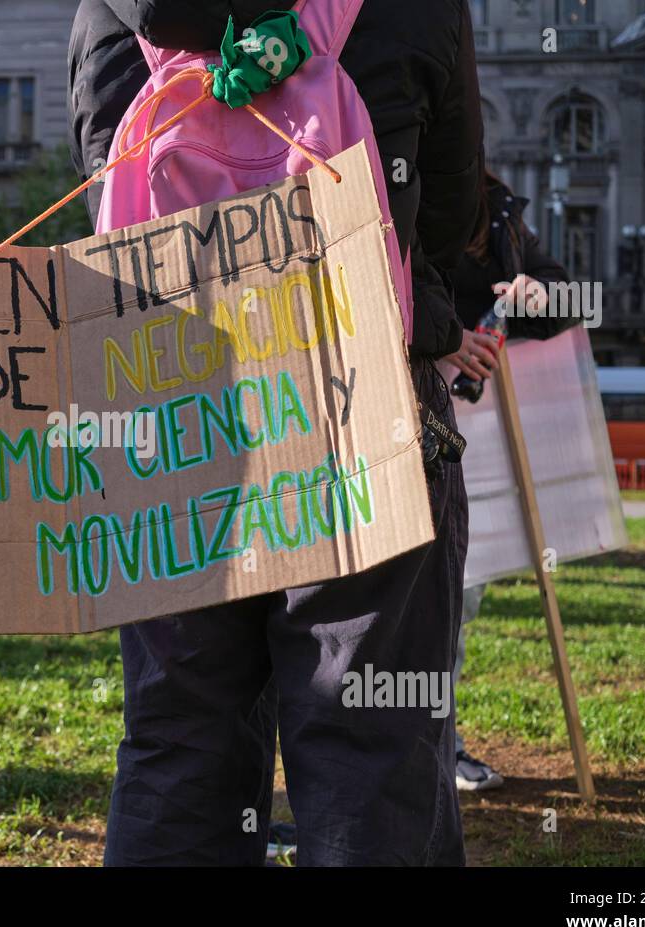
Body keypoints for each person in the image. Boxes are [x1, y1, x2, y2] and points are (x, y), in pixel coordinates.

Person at [68, 0, 483, 865]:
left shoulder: (111, 12)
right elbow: (449, 213)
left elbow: (101, 191)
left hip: (178, 417)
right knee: (372, 744)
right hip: (358, 406)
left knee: (178, 743)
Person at [445, 168, 574, 792]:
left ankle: (440, 742)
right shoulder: (395, 183)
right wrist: (441, 341)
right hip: (396, 417)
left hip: (475, 426)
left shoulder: (497, 209)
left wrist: (538, 293)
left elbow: (564, 297)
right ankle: (388, 749)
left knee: (459, 594)